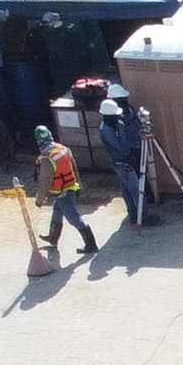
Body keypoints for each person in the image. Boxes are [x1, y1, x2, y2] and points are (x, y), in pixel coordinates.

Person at [30, 125, 99, 263]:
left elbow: (45, 180)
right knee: (57, 210)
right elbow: (74, 167)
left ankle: (91, 244)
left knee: (73, 217)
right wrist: (78, 185)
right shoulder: (62, 149)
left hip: (61, 192)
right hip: (70, 187)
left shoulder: (46, 158)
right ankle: (53, 238)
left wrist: (39, 200)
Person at [94, 94, 149, 234]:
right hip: (122, 162)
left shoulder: (115, 125)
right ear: (108, 116)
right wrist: (129, 157)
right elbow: (119, 146)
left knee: (127, 189)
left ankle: (134, 214)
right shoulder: (106, 130)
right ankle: (143, 216)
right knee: (134, 190)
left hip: (122, 161)